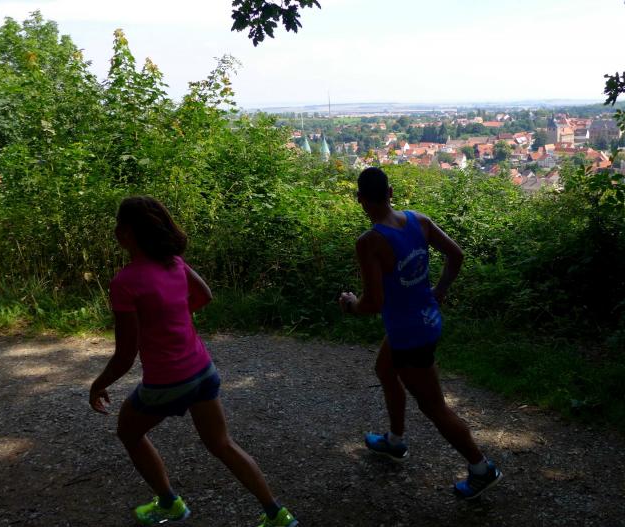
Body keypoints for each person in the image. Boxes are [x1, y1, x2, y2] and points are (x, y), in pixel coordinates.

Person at [89, 196, 298, 527]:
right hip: (202, 371)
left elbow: (126, 356)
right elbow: (204, 296)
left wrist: (98, 384)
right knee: (222, 444)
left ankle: (169, 503)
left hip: (167, 381)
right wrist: (171, 317)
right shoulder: (175, 263)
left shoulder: (124, 283)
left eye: (119, 226)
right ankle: (277, 514)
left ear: (126, 233)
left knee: (128, 432)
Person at [339, 167, 503, 499]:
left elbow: (373, 302)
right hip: (425, 319)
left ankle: (481, 468)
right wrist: (439, 291)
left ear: (359, 199)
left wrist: (351, 304)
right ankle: (395, 441)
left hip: (409, 334)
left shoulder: (370, 242)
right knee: (385, 370)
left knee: (434, 407)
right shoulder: (419, 220)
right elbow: (456, 255)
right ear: (390, 193)